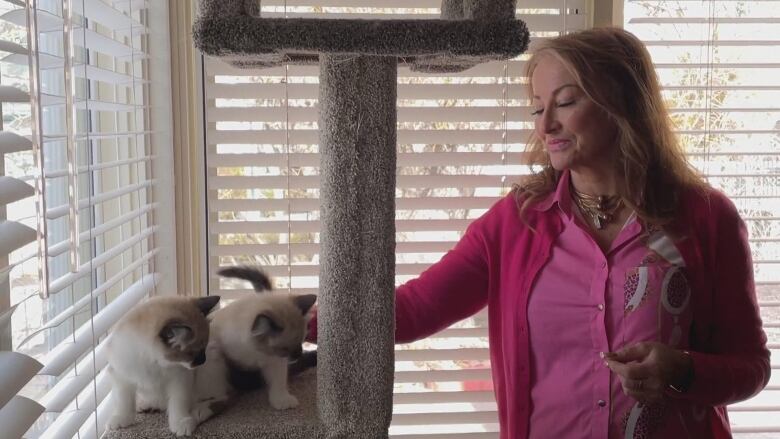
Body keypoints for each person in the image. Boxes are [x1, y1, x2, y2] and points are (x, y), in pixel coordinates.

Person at [308, 27, 770, 438]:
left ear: (622, 103)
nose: (546, 125)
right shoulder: (514, 224)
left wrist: (683, 371)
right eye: (537, 108)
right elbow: (411, 311)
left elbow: (751, 367)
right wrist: (286, 321)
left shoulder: (708, 219)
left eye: (566, 102)